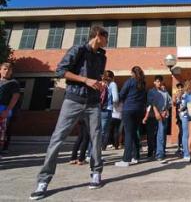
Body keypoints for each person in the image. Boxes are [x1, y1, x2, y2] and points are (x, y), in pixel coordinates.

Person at [30, 26, 108, 200]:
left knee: (96, 138)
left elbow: (97, 77)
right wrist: (85, 80)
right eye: (106, 38)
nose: (107, 42)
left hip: (93, 102)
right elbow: (60, 71)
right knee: (57, 139)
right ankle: (43, 181)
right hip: (73, 100)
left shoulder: (102, 57)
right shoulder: (78, 49)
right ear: (98, 36)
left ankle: (96, 173)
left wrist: (99, 84)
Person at [115, 66, 146, 167]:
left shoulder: (130, 81)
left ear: (133, 73)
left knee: (128, 133)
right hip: (140, 110)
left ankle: (126, 159)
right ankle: (136, 157)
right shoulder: (143, 83)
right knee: (134, 133)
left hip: (129, 109)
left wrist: (117, 99)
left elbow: (122, 94)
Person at [147, 75, 172, 163]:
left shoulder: (165, 92)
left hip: (162, 115)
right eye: (157, 81)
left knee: (161, 135)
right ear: (154, 82)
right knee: (151, 135)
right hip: (152, 116)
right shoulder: (151, 91)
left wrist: (165, 110)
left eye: (160, 81)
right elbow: (151, 103)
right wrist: (157, 112)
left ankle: (160, 154)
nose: (159, 83)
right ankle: (151, 152)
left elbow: (169, 103)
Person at [0, 62, 20, 157]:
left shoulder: (13, 83)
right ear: (0, 70)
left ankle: (3, 148)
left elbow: (15, 97)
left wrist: (7, 110)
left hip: (4, 108)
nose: (7, 71)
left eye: (9, 69)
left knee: (2, 131)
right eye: (4, 69)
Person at [100, 70, 119, 150]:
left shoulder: (101, 83)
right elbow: (115, 99)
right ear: (112, 77)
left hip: (98, 108)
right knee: (103, 132)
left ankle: (90, 154)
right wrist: (115, 106)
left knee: (97, 131)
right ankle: (93, 155)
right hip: (107, 109)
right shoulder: (112, 84)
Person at [178, 81, 191, 161]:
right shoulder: (185, 95)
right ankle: (186, 153)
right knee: (186, 134)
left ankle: (187, 152)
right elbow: (182, 106)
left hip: (185, 115)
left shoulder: (185, 94)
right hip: (186, 116)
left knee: (187, 134)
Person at [172, 83, 184, 155]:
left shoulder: (185, 95)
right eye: (179, 87)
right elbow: (173, 104)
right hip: (179, 116)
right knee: (181, 131)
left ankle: (184, 146)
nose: (180, 89)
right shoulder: (175, 95)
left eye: (181, 87)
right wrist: (175, 97)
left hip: (185, 116)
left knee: (185, 131)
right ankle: (180, 146)